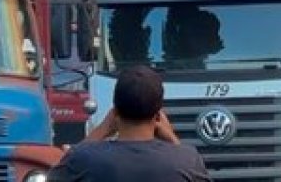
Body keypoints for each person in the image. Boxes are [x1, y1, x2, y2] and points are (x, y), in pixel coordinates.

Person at [48, 65, 210, 182]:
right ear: (158, 115)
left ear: (115, 112)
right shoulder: (186, 160)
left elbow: (56, 176)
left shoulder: (85, 159)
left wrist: (102, 130)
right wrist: (172, 138)